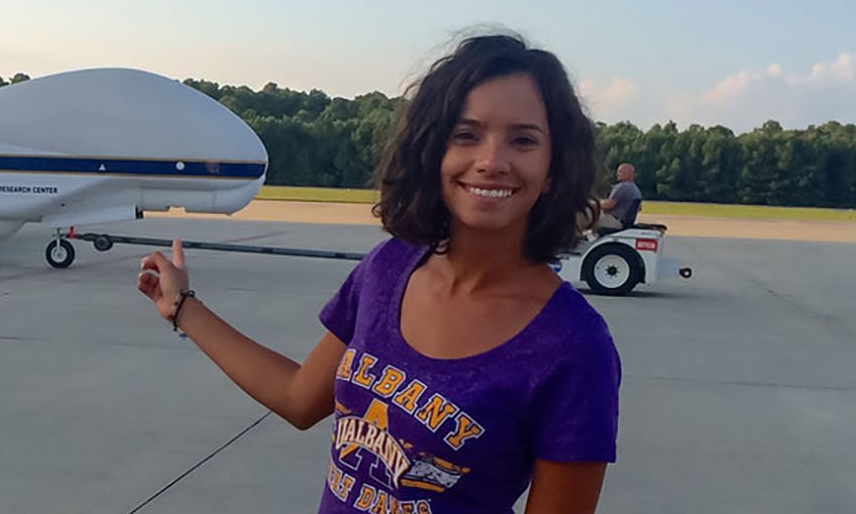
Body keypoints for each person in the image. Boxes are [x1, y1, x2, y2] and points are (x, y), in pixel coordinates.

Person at [135, 33, 620, 513]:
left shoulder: (572, 346)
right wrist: (183, 308)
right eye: (466, 134)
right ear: (434, 151)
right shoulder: (388, 269)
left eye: (523, 140)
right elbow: (299, 397)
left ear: (553, 167)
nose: (492, 161)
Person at [598, 163, 642, 231]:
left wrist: (595, 205)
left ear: (629, 174)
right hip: (624, 223)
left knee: (586, 217)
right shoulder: (636, 190)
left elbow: (609, 205)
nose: (617, 174)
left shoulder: (622, 187)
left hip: (615, 222)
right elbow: (639, 208)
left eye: (620, 171)